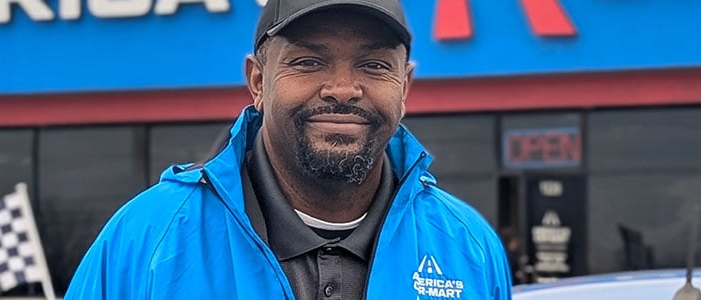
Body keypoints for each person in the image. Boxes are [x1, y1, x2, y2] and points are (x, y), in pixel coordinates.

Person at [65, 0, 512, 299]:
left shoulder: (467, 246)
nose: (342, 89)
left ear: (405, 87)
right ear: (258, 81)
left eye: (374, 65)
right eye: (308, 62)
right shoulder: (146, 239)